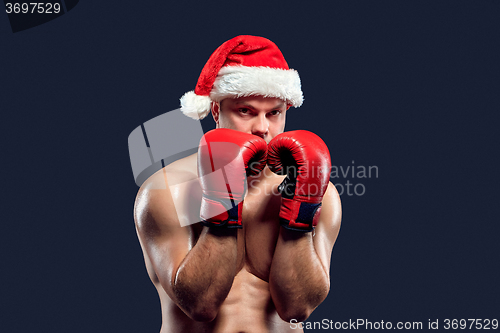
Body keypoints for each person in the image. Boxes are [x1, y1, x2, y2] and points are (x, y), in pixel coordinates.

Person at [134, 35, 342, 333]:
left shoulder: (317, 188)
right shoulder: (165, 190)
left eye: (274, 113)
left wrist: (301, 211)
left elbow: (298, 307)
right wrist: (222, 201)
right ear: (217, 110)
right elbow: (200, 305)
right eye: (245, 111)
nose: (261, 127)